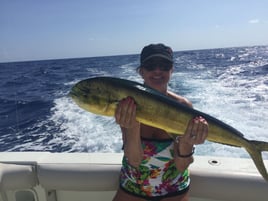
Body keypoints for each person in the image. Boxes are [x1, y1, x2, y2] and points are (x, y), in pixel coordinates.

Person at [112, 43, 208, 201]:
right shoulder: (128, 105)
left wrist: (186, 143)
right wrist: (133, 126)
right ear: (141, 71)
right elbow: (134, 161)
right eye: (150, 66)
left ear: (172, 70)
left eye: (164, 66)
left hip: (174, 188)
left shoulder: (183, 106)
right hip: (133, 186)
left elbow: (181, 165)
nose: (157, 71)